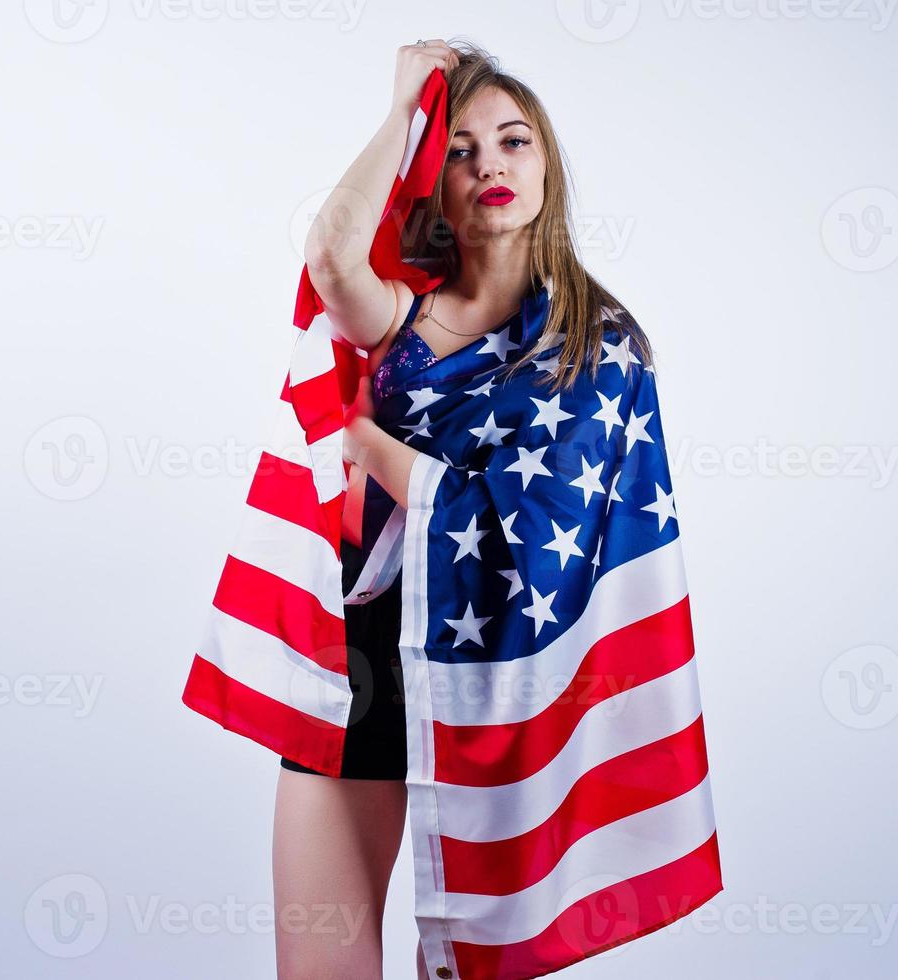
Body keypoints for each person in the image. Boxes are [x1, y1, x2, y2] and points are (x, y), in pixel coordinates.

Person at [272, 38, 658, 980]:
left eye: (514, 141)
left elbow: (525, 532)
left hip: (496, 678)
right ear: (431, 181)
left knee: (473, 962)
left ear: (546, 169)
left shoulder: (597, 348)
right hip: (363, 660)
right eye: (461, 148)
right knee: (318, 965)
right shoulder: (402, 314)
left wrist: (356, 435)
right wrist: (406, 105)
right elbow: (328, 253)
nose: (489, 163)